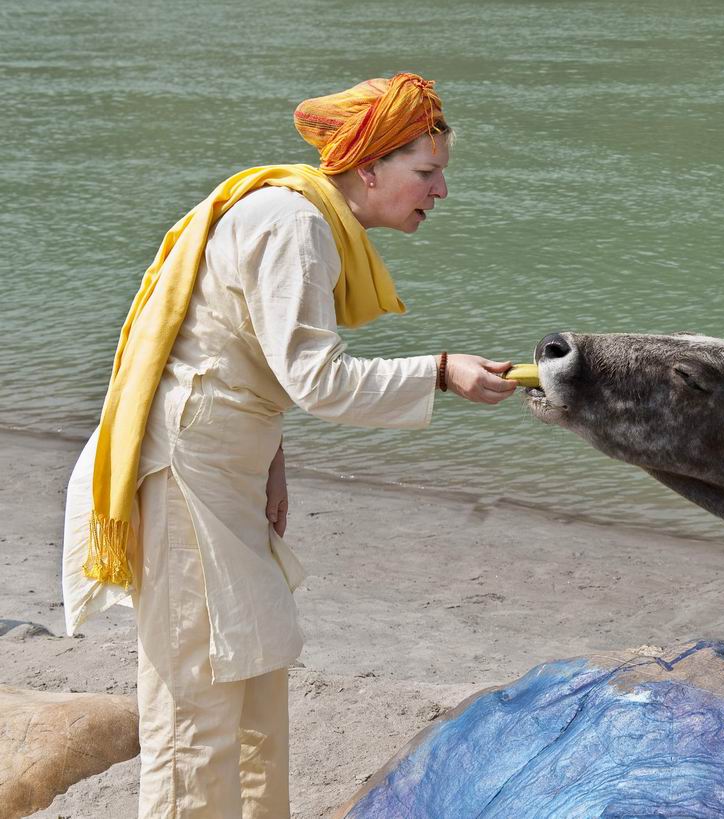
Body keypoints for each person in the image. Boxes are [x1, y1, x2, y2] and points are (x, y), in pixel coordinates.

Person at [60, 72, 517, 817]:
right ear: (369, 166)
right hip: (186, 474)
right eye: (426, 173)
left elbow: (237, 350)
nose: (438, 192)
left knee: (253, 692)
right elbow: (317, 379)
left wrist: (273, 462)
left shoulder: (304, 219)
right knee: (196, 714)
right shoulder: (295, 224)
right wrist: (439, 371)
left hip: (224, 463)